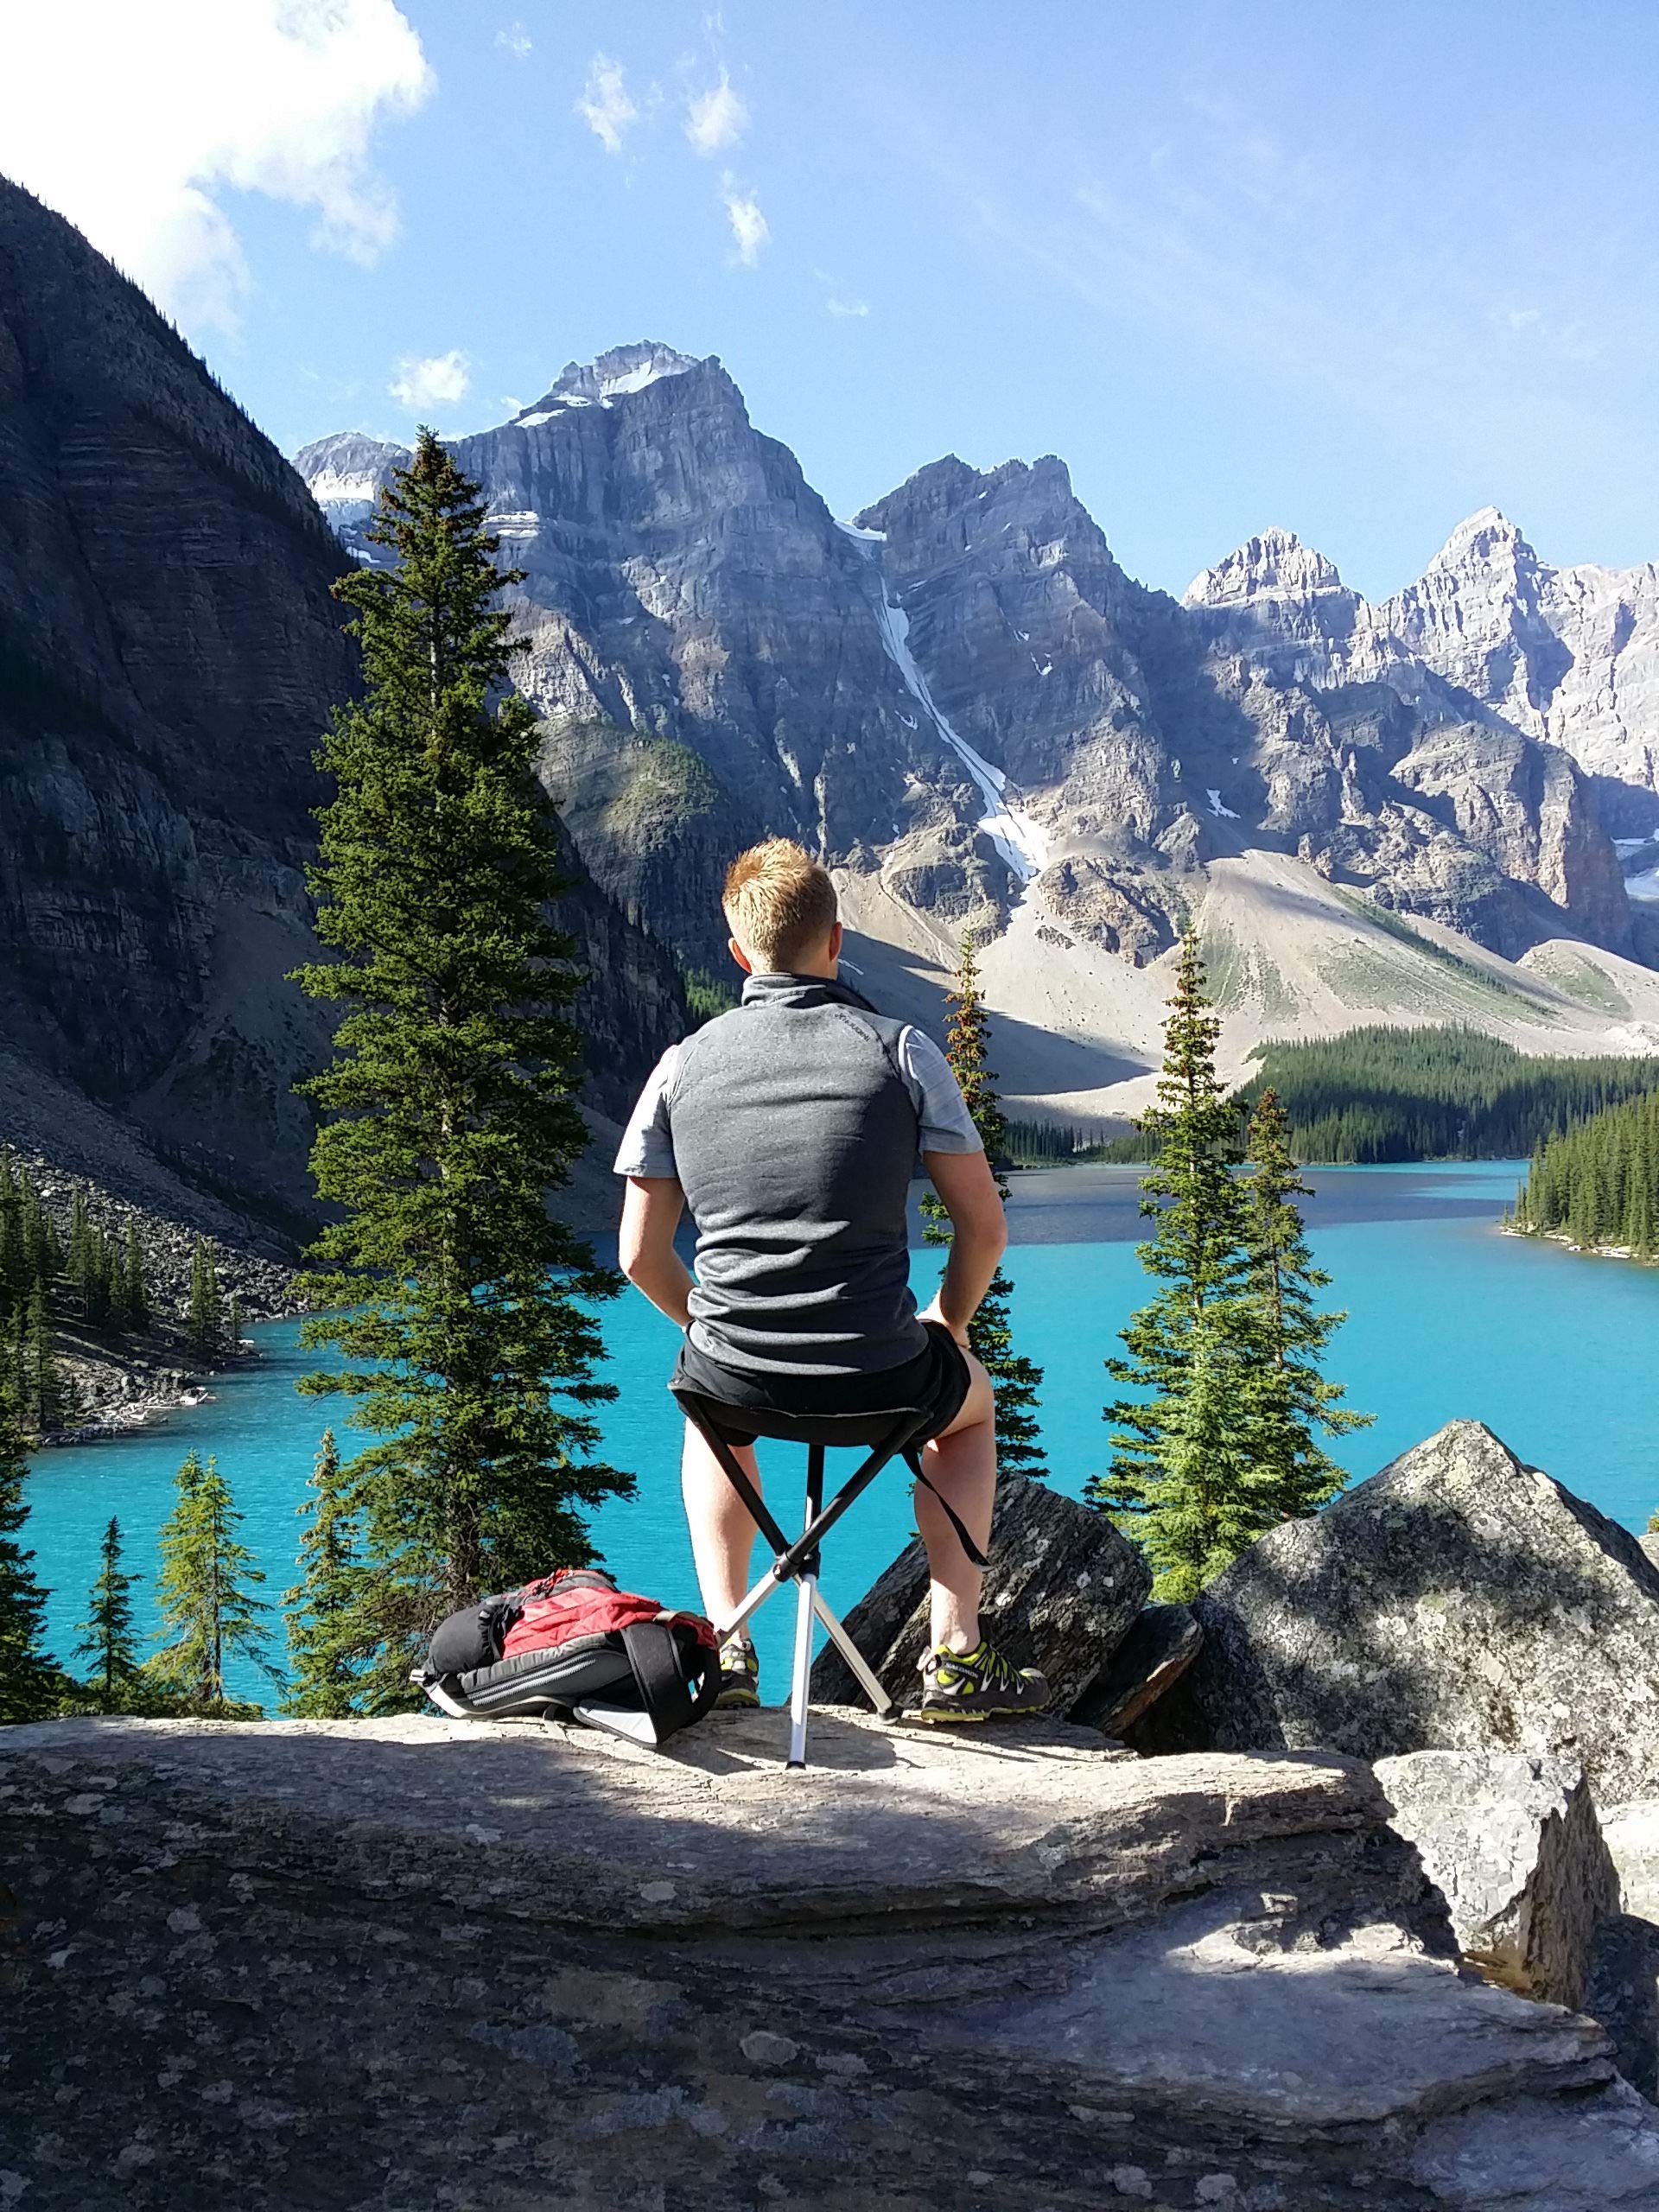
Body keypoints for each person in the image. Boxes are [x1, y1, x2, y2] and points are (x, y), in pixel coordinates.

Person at [613, 836, 1048, 1723]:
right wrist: (949, 1323)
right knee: (970, 1407)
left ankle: (729, 1645)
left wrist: (710, 1322)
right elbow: (984, 1227)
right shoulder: (902, 1052)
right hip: (881, 1374)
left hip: (740, 1374)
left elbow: (636, 1256)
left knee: (710, 1413)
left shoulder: (679, 1066)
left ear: (739, 955)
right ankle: (956, 1651)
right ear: (836, 941)